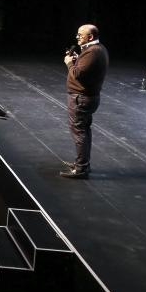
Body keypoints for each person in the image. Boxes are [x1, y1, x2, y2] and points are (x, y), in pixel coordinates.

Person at [60, 24, 109, 179]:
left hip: (81, 98)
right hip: (85, 97)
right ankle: (82, 164)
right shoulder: (95, 50)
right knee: (84, 131)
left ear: (91, 37)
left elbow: (77, 74)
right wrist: (77, 60)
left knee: (79, 132)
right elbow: (84, 69)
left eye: (81, 35)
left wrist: (69, 62)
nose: (77, 37)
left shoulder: (93, 52)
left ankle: (81, 169)